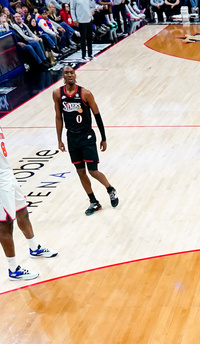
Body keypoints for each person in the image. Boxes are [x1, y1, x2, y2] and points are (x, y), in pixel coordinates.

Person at [54, 67, 119, 216]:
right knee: (80, 172)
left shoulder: (85, 94)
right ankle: (93, 202)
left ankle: (110, 189)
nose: (69, 75)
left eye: (71, 72)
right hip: (72, 137)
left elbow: (97, 116)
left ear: (75, 75)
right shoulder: (57, 94)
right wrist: (59, 139)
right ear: (63, 75)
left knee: (93, 171)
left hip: (87, 136)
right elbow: (59, 117)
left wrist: (103, 138)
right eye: (66, 73)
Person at [0, 126, 58, 281]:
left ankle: (34, 248)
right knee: (5, 225)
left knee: (23, 212)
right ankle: (13, 269)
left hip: (7, 174)